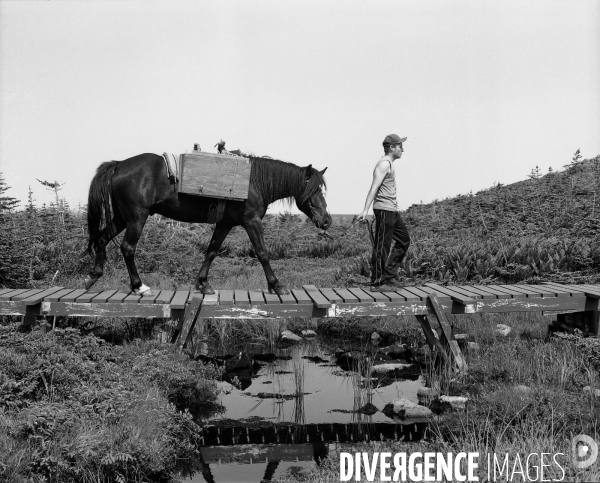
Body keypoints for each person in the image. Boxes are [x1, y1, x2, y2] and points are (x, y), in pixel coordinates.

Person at [357, 134, 411, 291]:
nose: (403, 149)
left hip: (392, 210)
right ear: (392, 148)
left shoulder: (390, 164)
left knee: (404, 240)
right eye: (400, 146)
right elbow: (374, 187)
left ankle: (389, 276)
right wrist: (365, 210)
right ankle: (377, 282)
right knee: (382, 246)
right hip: (383, 210)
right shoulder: (384, 164)